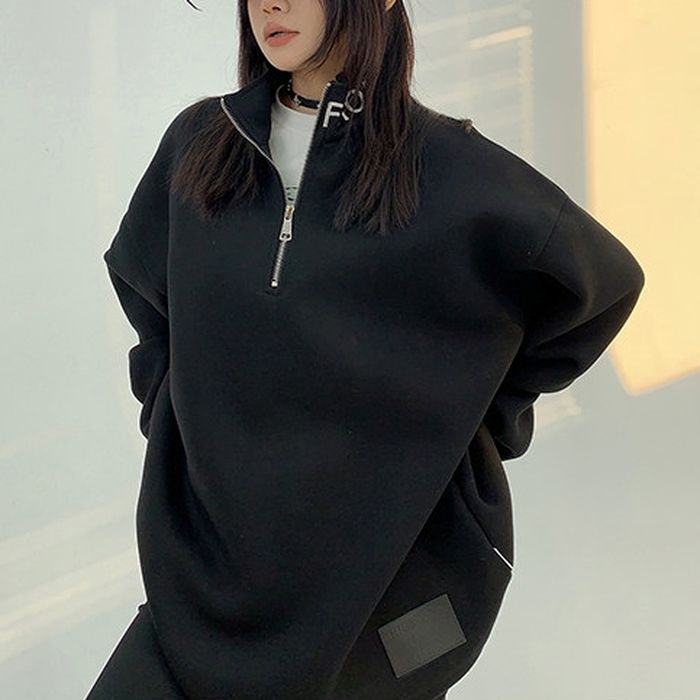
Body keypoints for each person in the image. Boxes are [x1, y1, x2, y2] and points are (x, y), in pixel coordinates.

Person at [86, 0, 645, 698]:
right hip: (201, 594)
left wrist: (472, 430)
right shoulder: (201, 143)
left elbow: (601, 287)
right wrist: (176, 417)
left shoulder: (450, 169)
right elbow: (147, 295)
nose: (270, 3)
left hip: (380, 609)